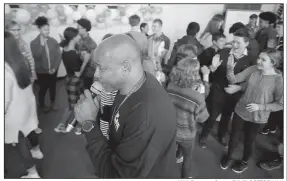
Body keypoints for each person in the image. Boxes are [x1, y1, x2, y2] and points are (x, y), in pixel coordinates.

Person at [74, 34, 179, 178]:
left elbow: (116, 176)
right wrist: (96, 112)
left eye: (101, 68)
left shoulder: (146, 115)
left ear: (125, 68)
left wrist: (88, 123)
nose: (96, 75)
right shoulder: (129, 86)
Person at [221, 49, 283, 173]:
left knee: (249, 140)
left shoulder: (278, 80)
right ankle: (229, 156)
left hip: (258, 116)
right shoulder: (254, 69)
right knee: (234, 136)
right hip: (241, 109)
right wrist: (229, 69)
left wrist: (260, 107)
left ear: (273, 63)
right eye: (259, 58)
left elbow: (280, 104)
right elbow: (234, 80)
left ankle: (244, 162)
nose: (258, 61)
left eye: (263, 60)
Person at [199, 29, 256, 148]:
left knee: (226, 116)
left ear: (246, 43)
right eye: (233, 41)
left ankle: (221, 135)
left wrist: (239, 88)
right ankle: (204, 135)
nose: (234, 45)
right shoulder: (223, 52)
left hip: (235, 93)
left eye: (238, 43)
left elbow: (251, 79)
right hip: (218, 90)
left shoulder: (251, 59)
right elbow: (210, 72)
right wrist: (212, 68)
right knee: (212, 116)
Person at [5, 31, 41, 178]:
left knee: (19, 144)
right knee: (31, 131)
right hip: (28, 106)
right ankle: (37, 151)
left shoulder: (5, 70)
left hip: (15, 113)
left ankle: (33, 173)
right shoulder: (21, 61)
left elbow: (5, 101)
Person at [167, 57, 210, 178]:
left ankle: (177, 156)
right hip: (187, 134)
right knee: (188, 158)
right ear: (195, 73)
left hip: (171, 130)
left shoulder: (170, 86)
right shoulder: (197, 97)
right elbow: (202, 118)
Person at [5, 20, 42, 135]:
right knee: (14, 104)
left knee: (30, 101)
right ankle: (16, 129)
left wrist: (32, 73)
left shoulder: (22, 42)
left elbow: (30, 59)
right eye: (13, 30)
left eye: (18, 29)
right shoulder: (5, 44)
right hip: (11, 78)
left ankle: (32, 125)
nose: (17, 32)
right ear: (6, 30)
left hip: (25, 77)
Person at [54, 27, 90, 133]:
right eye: (78, 35)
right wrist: (85, 61)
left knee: (74, 105)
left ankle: (64, 125)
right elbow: (78, 74)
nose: (80, 37)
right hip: (74, 81)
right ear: (73, 38)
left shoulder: (66, 48)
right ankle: (71, 127)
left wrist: (81, 55)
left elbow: (68, 45)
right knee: (74, 107)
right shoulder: (72, 54)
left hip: (69, 79)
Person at [30, 16, 62, 112]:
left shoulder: (53, 41)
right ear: (39, 30)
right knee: (42, 89)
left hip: (53, 70)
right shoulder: (34, 43)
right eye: (45, 30)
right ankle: (42, 105)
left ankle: (53, 103)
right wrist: (42, 45)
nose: (47, 32)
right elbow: (36, 56)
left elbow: (58, 55)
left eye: (48, 30)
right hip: (41, 72)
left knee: (53, 88)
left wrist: (55, 68)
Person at [259, 20, 283, 135]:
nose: (276, 29)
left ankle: (273, 126)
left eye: (279, 27)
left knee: (279, 102)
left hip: (279, 75)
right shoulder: (279, 40)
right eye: (276, 26)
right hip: (275, 72)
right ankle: (271, 125)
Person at [76, 18, 97, 89]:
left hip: (87, 74)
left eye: (78, 28)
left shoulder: (92, 44)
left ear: (85, 29)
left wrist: (83, 57)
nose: (77, 29)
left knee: (86, 93)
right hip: (79, 70)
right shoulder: (79, 39)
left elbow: (93, 63)